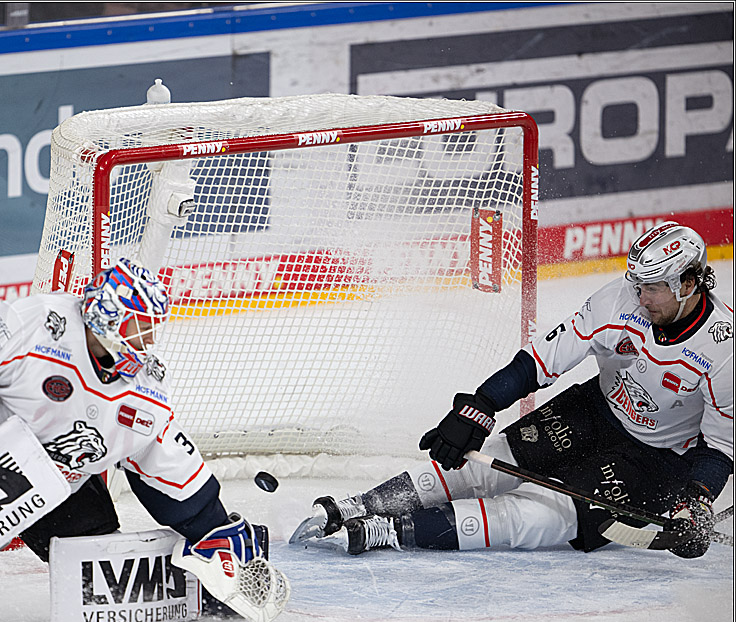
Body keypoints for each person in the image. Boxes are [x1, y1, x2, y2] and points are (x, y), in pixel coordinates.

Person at [292, 221, 733, 558]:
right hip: (595, 410)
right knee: (481, 465)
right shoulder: (617, 300)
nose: (637, 297)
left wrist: (694, 503)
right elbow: (542, 360)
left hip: (656, 461)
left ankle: (386, 532)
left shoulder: (725, 351)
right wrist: (481, 405)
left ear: (688, 284)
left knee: (532, 514)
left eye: (650, 288)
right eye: (634, 284)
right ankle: (358, 505)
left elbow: (719, 447)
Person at [0, 257, 265, 569]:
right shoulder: (38, 323)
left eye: (151, 330)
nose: (147, 342)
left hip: (52, 480)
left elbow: (163, 456)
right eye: (138, 327)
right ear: (109, 319)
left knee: (96, 562)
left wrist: (213, 528)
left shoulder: (147, 387)